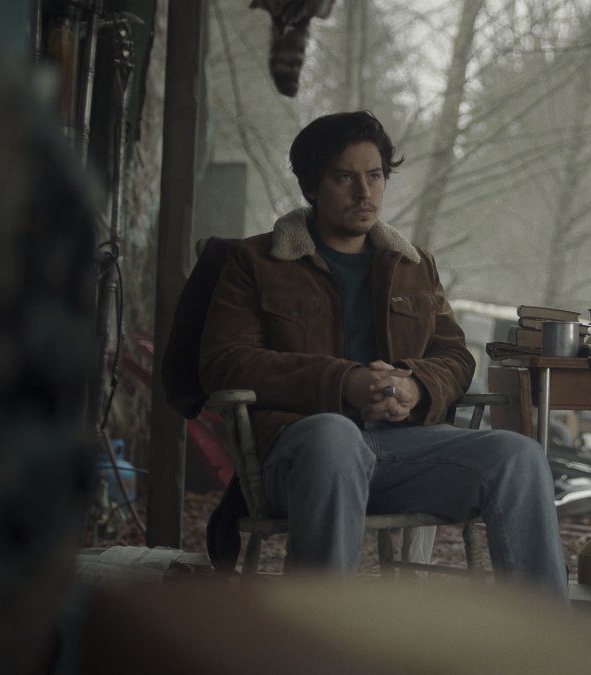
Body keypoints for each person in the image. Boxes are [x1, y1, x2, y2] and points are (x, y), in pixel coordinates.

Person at [198, 111, 567, 597]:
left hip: (405, 453)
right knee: (335, 436)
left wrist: (415, 385)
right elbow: (225, 362)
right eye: (344, 178)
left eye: (374, 176)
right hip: (302, 454)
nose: (364, 193)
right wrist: (343, 381)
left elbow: (455, 356)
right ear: (311, 186)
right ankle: (320, 632)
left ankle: (543, 634)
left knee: (519, 456)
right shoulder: (257, 261)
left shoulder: (413, 264)